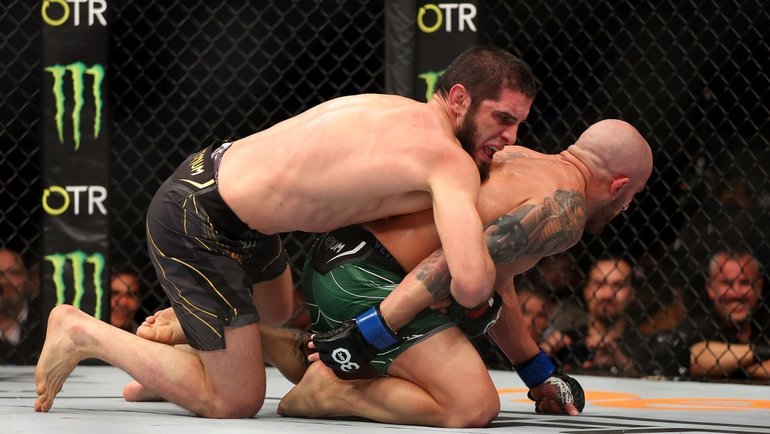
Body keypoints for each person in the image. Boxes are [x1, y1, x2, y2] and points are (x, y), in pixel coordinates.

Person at [34, 45, 538, 418]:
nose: (511, 137)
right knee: (236, 401)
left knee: (273, 314)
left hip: (228, 197)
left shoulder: (399, 111)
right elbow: (471, 282)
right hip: (198, 219)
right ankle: (83, 331)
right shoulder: (448, 160)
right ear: (458, 98)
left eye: (519, 124)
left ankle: (178, 367)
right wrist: (490, 282)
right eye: (502, 118)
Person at [273, 119, 652, 427]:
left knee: (438, 344)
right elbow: (446, 263)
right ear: (619, 186)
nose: (627, 206)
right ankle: (332, 391)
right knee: (471, 406)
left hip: (334, 261)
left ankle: (287, 346)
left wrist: (537, 372)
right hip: (367, 280)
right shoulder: (564, 210)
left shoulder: (519, 158)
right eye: (633, 195)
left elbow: (497, 277)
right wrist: (368, 333)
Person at [681, 250, 770, 380]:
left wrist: (729, 364)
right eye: (727, 283)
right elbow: (691, 360)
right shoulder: (696, 328)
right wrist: (759, 354)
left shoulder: (766, 325)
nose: (736, 293)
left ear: (759, 287)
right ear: (710, 288)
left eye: (745, 283)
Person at [0, 248, 43, 364]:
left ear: (26, 278)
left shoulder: (44, 318)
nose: (5, 281)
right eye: (0, 274)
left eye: (14, 273)